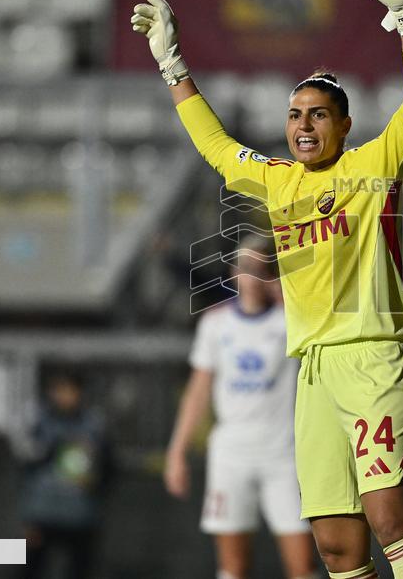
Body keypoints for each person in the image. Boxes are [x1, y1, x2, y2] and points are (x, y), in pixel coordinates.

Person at [131, 0, 403, 578]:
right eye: (295, 114)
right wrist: (172, 64)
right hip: (312, 372)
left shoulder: (372, 167)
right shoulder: (276, 180)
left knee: (391, 522)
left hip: (374, 359)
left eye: (318, 115)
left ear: (345, 124)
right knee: (334, 545)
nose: (303, 125)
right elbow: (218, 148)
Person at [164, 234, 316, 579]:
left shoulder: (290, 322)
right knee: (232, 567)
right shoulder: (216, 325)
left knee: (303, 565)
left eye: (262, 269)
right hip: (232, 454)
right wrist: (177, 451)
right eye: (246, 267)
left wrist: (283, 291)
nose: (252, 276)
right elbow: (198, 391)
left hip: (284, 454)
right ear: (233, 273)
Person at [19, 370, 113, 579]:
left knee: (79, 569)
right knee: (31, 568)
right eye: (58, 390)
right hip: (43, 513)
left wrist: (95, 487)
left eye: (68, 390)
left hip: (80, 515)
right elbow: (26, 466)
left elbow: (108, 467)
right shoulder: (38, 422)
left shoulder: (93, 424)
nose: (63, 396)